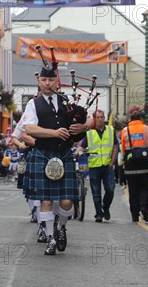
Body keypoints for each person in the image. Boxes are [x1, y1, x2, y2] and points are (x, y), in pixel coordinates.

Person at [22, 61, 87, 255]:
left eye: (51, 79)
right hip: (43, 154)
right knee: (46, 201)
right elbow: (29, 128)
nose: (48, 83)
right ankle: (50, 238)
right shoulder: (33, 104)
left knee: (67, 202)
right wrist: (54, 133)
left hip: (64, 154)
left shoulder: (69, 102)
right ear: (39, 81)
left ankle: (61, 227)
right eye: (44, 79)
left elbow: (85, 121)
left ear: (57, 81)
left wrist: (83, 127)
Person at [77, 109, 118, 223]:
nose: (100, 119)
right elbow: (82, 146)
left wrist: (112, 163)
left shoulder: (110, 130)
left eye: (102, 117)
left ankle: (105, 207)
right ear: (94, 119)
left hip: (107, 165)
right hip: (94, 166)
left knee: (110, 190)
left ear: (104, 118)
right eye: (98, 117)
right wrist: (78, 152)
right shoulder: (89, 133)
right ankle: (99, 214)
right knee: (96, 192)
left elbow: (115, 147)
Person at [121, 106, 148, 222]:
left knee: (132, 190)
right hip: (145, 163)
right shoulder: (147, 129)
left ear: (130, 118)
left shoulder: (125, 131)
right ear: (140, 118)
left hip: (131, 163)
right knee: (144, 188)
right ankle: (144, 207)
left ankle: (135, 214)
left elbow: (124, 148)